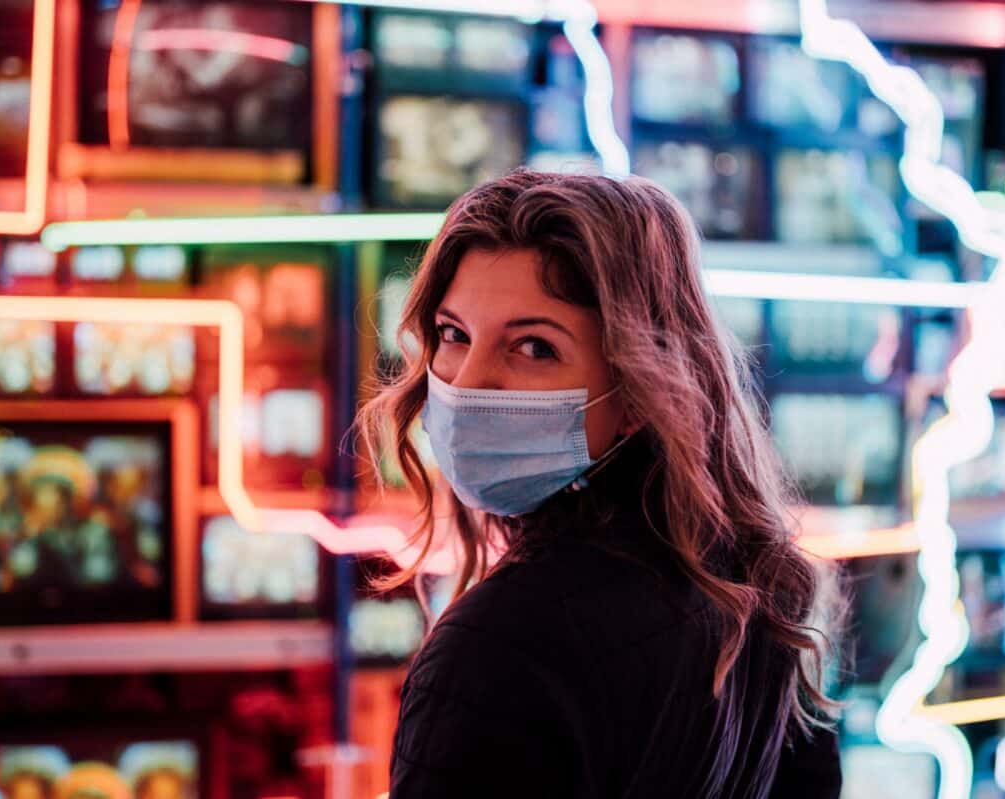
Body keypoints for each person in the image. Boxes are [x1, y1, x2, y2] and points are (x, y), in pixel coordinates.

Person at [361, 170, 843, 798]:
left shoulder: (499, 645)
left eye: (533, 347)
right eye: (454, 334)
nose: (467, 381)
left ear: (641, 392)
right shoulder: (759, 598)